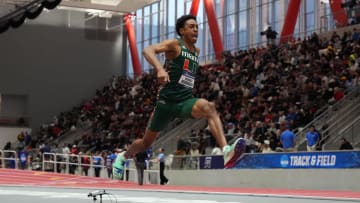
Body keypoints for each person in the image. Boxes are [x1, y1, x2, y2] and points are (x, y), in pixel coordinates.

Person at [115, 14, 245, 176]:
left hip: (184, 101)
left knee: (209, 107)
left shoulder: (196, 52)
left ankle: (226, 151)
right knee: (146, 143)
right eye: (191, 26)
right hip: (165, 103)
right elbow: (147, 50)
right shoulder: (175, 44)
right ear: (182, 31)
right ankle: (122, 157)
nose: (196, 29)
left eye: (197, 26)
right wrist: (160, 69)